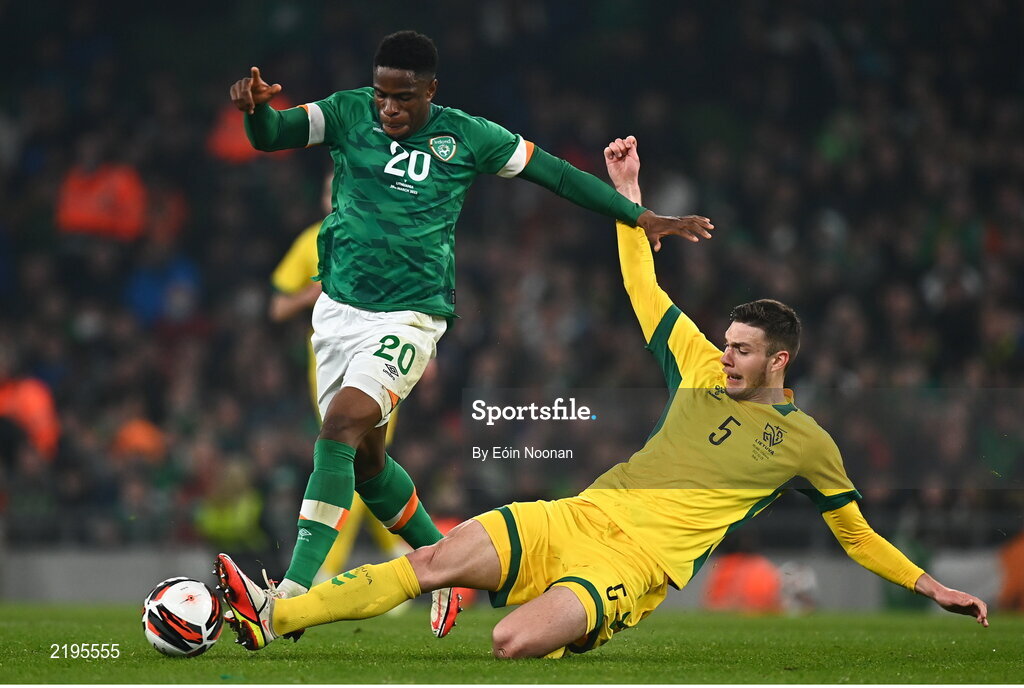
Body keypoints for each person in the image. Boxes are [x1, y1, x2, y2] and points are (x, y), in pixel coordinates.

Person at [216, 135, 988, 657]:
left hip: (640, 562)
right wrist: (629, 194)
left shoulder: (808, 443)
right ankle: (277, 612)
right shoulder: (696, 361)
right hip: (581, 513)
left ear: (779, 362)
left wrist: (932, 585)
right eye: (727, 343)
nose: (726, 355)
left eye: (743, 351)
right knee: (435, 561)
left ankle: (564, 616)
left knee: (510, 643)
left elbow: (854, 535)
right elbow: (641, 284)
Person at [224, 29, 710, 639]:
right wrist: (257, 112)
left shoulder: (469, 136)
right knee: (369, 465)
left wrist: (638, 213)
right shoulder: (347, 110)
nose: (389, 108)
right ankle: (447, 571)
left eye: (402, 97)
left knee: (341, 426)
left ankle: (286, 598)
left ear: (431, 90)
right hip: (337, 315)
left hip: (409, 316)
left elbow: (556, 175)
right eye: (382, 96)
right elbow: (273, 138)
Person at [269, 171, 409, 589]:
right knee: (357, 456)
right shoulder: (311, 240)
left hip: (384, 351)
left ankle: (326, 568)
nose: (338, 195)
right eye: (331, 189)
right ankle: (408, 556)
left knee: (361, 455)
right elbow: (277, 307)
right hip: (330, 357)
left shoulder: (382, 233)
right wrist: (312, 295)